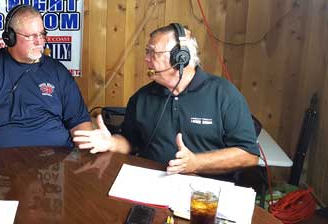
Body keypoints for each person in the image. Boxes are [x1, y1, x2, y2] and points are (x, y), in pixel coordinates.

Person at [73, 23, 259, 181]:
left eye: (152, 53)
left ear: (181, 57)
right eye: (147, 52)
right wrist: (112, 142)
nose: (146, 60)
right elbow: (131, 142)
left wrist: (196, 163)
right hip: (153, 186)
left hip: (207, 194)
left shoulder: (224, 93)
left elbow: (249, 155)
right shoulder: (141, 98)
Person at [0, 4, 92, 177]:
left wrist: (89, 153)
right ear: (10, 37)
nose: (39, 41)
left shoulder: (58, 71)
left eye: (42, 34)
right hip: (0, 167)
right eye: (31, 36)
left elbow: (79, 121)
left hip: (55, 165)